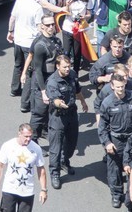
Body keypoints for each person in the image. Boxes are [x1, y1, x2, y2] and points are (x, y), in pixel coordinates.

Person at [98, 73, 132, 209]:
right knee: (114, 170)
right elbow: (102, 127)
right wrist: (107, 143)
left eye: (122, 86)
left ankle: (131, 194)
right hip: (116, 140)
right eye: (117, 87)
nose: (120, 89)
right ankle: (116, 195)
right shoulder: (107, 103)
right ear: (112, 86)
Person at [45, 55, 87, 190]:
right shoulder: (52, 82)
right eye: (65, 67)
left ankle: (64, 161)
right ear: (58, 66)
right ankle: (55, 173)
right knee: (55, 148)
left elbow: (77, 90)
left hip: (72, 114)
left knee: (71, 143)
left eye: (69, 66)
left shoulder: (72, 74)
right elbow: (54, 100)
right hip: (58, 117)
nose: (68, 69)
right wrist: (60, 104)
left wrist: (83, 102)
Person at [0, 123, 48, 210]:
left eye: (30, 136)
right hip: (9, 189)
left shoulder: (36, 148)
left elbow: (41, 169)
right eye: (26, 136)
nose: (28, 139)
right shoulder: (8, 146)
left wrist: (43, 190)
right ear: (19, 134)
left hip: (27, 191)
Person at [9, 0, 46, 110]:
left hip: (18, 40)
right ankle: (25, 103)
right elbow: (39, 27)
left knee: (18, 65)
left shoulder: (19, 1)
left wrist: (10, 31)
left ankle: (14, 89)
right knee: (29, 71)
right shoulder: (37, 8)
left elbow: (12, 18)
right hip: (29, 43)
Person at [24, 13, 61, 140]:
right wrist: (43, 91)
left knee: (50, 110)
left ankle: (44, 131)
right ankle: (33, 139)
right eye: (48, 25)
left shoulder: (57, 41)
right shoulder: (40, 45)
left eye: (53, 24)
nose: (51, 27)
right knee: (39, 113)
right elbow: (38, 70)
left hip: (53, 81)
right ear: (42, 26)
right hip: (42, 82)